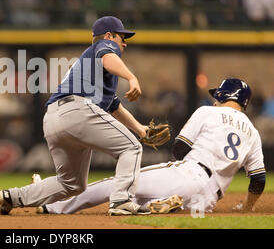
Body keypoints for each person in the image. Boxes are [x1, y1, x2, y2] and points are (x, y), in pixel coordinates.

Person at [37, 78, 266, 215]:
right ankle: (157, 204)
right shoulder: (253, 133)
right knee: (134, 201)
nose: (214, 98)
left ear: (223, 94)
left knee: (119, 184)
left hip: (189, 174)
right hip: (207, 201)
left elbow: (179, 149)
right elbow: (258, 179)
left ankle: (53, 206)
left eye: (217, 95)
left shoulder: (208, 111)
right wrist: (246, 208)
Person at [0, 16, 151, 216]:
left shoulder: (93, 65)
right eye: (122, 37)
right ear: (108, 35)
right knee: (131, 147)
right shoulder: (104, 48)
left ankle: (13, 197)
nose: (125, 43)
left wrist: (140, 129)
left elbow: (113, 106)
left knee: (71, 184)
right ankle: (122, 200)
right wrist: (132, 77)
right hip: (77, 111)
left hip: (54, 117)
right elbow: (108, 55)